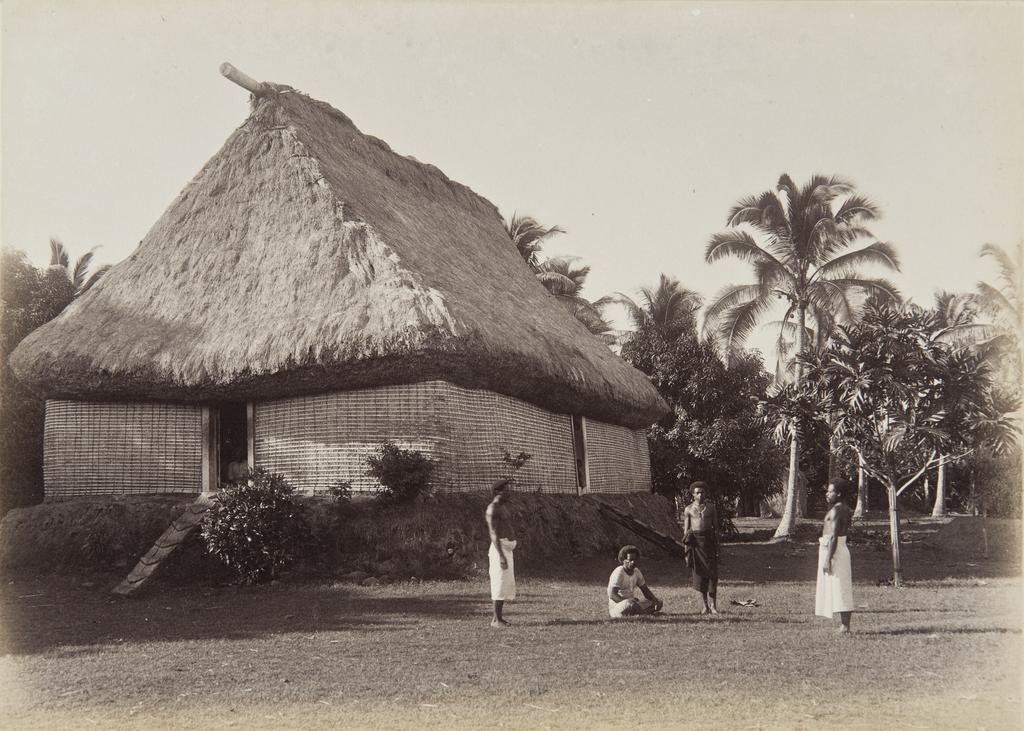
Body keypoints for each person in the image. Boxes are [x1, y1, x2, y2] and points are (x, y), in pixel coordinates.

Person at [816, 477, 856, 633]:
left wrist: (828, 559)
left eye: (830, 491)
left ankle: (845, 626)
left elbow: (833, 536)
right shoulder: (843, 508)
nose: (827, 494)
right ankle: (844, 625)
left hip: (835, 550)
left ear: (839, 494)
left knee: (841, 586)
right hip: (836, 548)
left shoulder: (838, 510)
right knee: (839, 586)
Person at [682, 481, 719, 614]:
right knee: (699, 575)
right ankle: (705, 606)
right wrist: (686, 551)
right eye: (697, 492)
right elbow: (686, 531)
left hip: (709, 543)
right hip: (696, 545)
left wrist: (717, 547)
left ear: (706, 493)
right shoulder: (688, 509)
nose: (700, 495)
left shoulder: (711, 508)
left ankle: (713, 605)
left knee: (712, 575)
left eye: (702, 492)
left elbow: (716, 529)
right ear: (693, 494)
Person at [485, 479, 517, 627]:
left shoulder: (504, 507)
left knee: (504, 583)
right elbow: (493, 533)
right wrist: (502, 556)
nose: (509, 492)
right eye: (507, 490)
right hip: (499, 550)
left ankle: (499, 618)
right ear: (498, 492)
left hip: (507, 548)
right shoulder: (492, 509)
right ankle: (496, 619)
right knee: (498, 583)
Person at [607, 545, 663, 618]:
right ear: (623, 560)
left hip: (633, 604)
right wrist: (628, 600)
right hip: (617, 607)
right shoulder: (619, 572)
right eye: (630, 560)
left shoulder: (636, 571)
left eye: (635, 559)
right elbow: (612, 595)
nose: (633, 562)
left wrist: (655, 601)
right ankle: (645, 614)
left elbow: (645, 590)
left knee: (658, 602)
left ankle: (639, 612)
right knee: (630, 604)